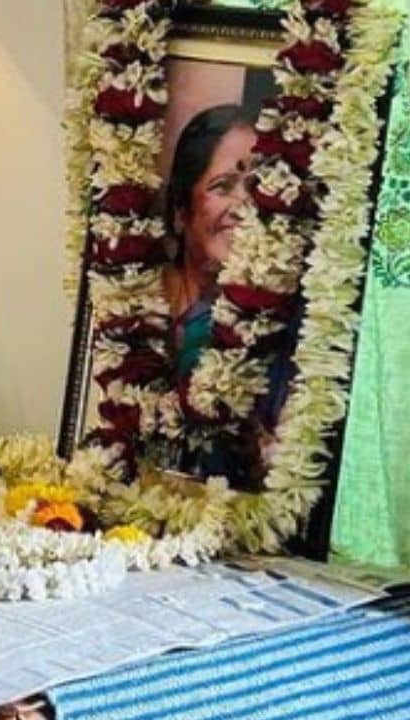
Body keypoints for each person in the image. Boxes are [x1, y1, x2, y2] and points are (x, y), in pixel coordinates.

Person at [161, 103, 297, 483]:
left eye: (255, 188)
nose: (243, 206)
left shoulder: (282, 330)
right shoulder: (140, 303)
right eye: (223, 186)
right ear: (181, 211)